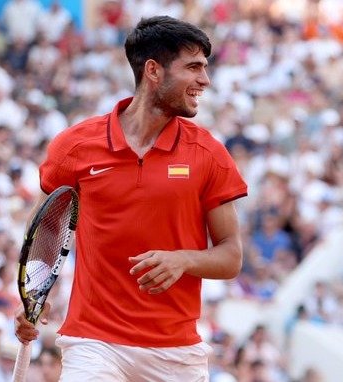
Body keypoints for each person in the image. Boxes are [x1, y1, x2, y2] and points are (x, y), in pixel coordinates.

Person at [15, 16, 248, 381]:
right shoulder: (75, 146)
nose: (205, 79)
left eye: (205, 67)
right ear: (153, 71)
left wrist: (183, 260)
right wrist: (33, 292)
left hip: (177, 354)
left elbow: (231, 257)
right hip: (94, 343)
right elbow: (45, 224)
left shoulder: (209, 154)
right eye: (193, 67)